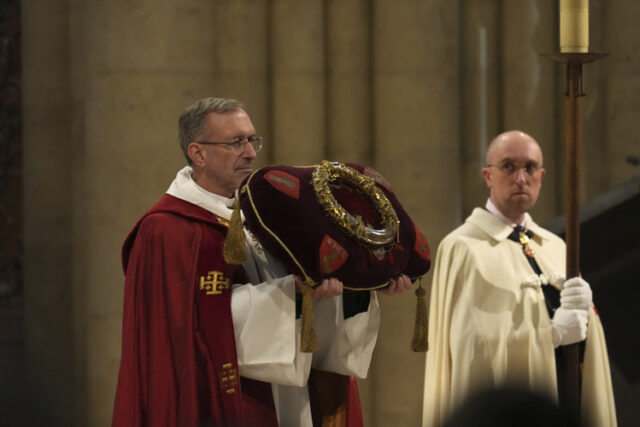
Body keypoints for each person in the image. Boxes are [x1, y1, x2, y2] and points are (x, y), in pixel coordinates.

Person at [111, 97, 412, 427]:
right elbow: (186, 331)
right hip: (222, 403)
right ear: (198, 153)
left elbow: (311, 302)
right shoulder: (166, 231)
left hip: (290, 395)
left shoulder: (265, 215)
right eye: (236, 142)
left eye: (252, 140)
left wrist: (358, 287)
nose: (251, 153)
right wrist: (289, 294)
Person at [422, 130, 617, 427]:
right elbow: (471, 350)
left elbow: (580, 339)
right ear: (488, 176)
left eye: (530, 167)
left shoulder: (557, 247)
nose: (521, 178)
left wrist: (589, 319)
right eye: (509, 166)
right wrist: (547, 335)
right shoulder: (462, 247)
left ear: (541, 175)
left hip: (565, 405)